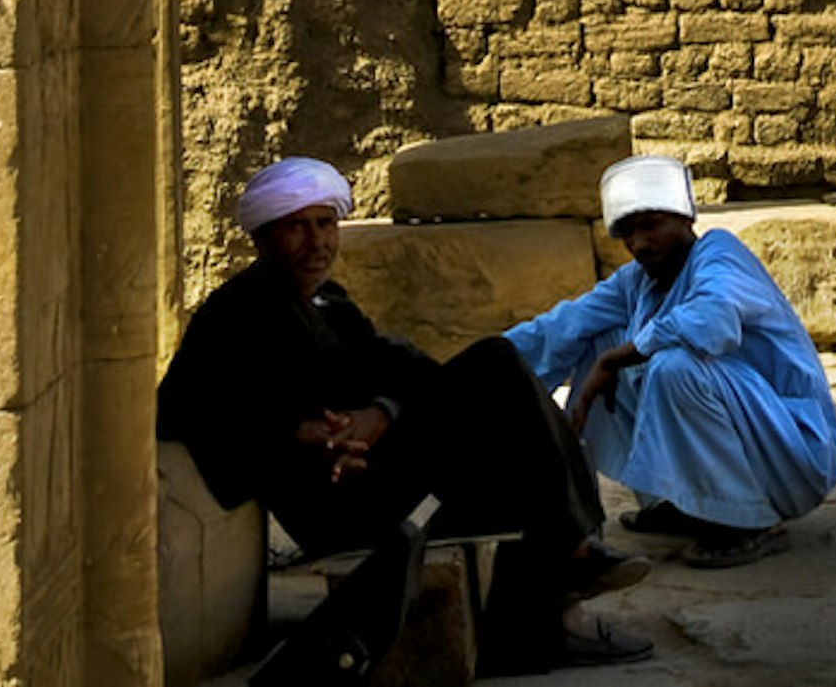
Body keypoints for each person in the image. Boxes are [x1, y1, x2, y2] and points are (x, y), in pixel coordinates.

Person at [159, 159, 650, 671]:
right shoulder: (233, 315)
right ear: (261, 237)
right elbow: (179, 413)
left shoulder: (330, 302)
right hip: (339, 503)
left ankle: (551, 605)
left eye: (325, 224)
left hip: (385, 473)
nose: (315, 242)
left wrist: (381, 413)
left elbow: (410, 368)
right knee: (498, 373)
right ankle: (566, 579)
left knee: (513, 430)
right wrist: (298, 435)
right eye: (295, 227)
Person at [508, 157, 836, 569]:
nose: (640, 243)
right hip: (750, 432)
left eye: (651, 225)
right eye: (628, 233)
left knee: (674, 367)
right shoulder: (637, 280)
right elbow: (562, 326)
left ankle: (747, 522)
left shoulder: (720, 252)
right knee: (594, 339)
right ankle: (676, 501)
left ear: (684, 219)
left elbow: (712, 321)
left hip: (789, 453)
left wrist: (618, 359)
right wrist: (475, 369)